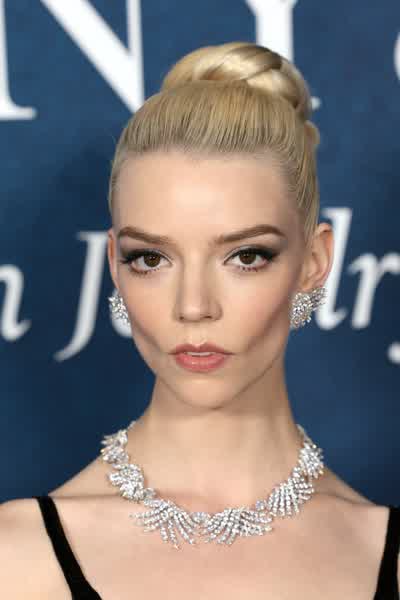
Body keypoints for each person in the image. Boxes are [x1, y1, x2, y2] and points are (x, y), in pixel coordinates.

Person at [1, 41, 399, 599]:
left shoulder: (384, 555)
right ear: (114, 264)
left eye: (246, 256)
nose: (193, 306)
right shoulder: (15, 557)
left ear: (313, 262)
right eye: (150, 259)